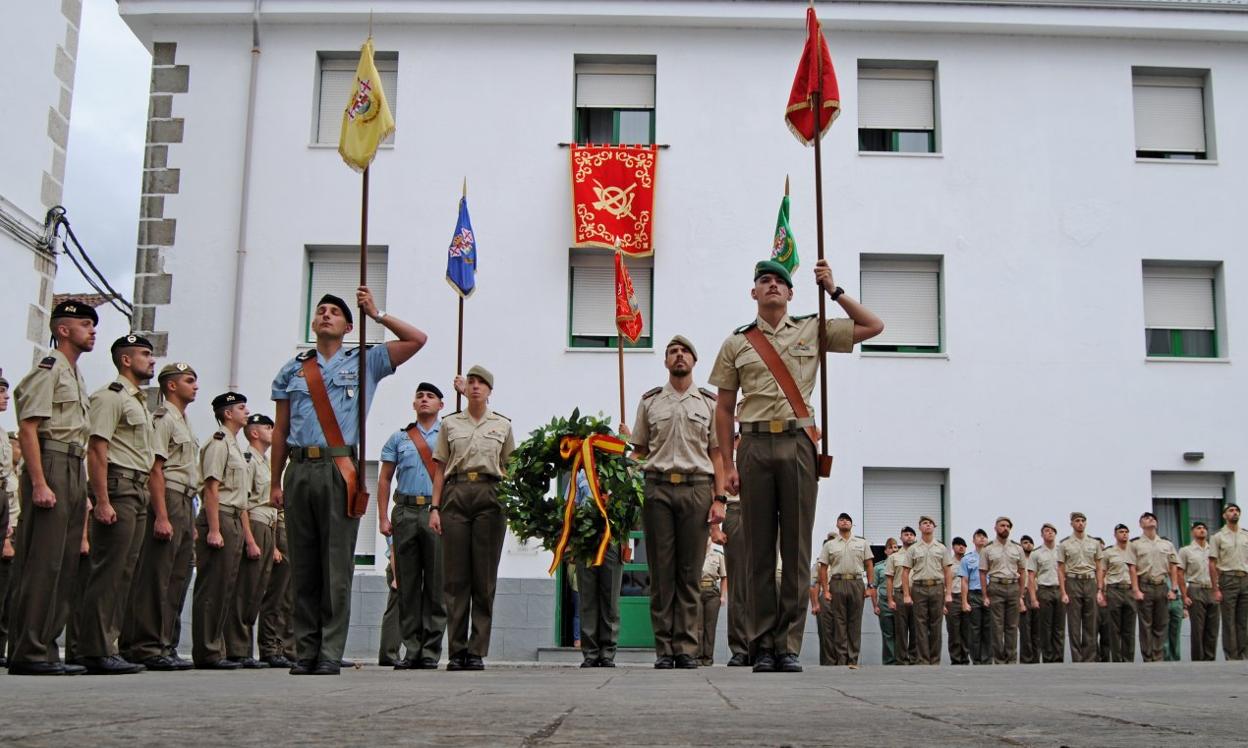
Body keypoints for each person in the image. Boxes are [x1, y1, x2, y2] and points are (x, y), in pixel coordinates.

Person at [710, 258, 883, 674]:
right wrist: (729, 463)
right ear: (753, 293)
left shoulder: (812, 328)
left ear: (791, 294)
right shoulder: (737, 342)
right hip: (753, 444)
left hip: (798, 442)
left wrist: (835, 291)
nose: (772, 285)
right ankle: (761, 644)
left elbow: (873, 326)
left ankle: (787, 644)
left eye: (780, 282)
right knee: (756, 551)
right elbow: (723, 407)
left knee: (796, 545)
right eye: (764, 281)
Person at [270, 290, 425, 675]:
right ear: (313, 323)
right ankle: (304, 651)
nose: (326, 315)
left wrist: (377, 313)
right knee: (303, 565)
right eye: (320, 311)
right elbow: (281, 429)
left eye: (335, 312)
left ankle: (328, 652)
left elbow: (416, 340)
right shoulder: (293, 370)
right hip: (299, 469)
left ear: (349, 326)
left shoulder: (365, 362)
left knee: (336, 565)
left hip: (340, 470)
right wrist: (274, 480)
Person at [7, 301, 95, 675]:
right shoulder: (49, 368)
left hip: (74, 464)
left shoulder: (75, 374)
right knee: (43, 562)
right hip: (52, 461)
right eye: (84, 324)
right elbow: (29, 427)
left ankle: (46, 647)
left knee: (65, 563)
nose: (92, 330)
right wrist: (39, 482)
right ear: (63, 330)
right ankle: (28, 650)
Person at [631, 335, 724, 669]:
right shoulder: (650, 402)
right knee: (661, 572)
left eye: (685, 351)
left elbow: (717, 454)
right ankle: (664, 649)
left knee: (689, 573)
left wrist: (720, 499)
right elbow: (639, 450)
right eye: (673, 352)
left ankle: (685, 647)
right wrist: (626, 476)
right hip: (657, 490)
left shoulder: (709, 404)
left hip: (696, 489)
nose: (679, 356)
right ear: (666, 361)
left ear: (694, 362)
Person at [73, 334, 158, 675]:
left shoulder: (138, 402)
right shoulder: (111, 397)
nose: (151, 361)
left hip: (137, 488)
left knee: (125, 572)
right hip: (118, 486)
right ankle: (93, 649)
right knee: (108, 571)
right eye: (144, 354)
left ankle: (108, 644)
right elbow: (97, 449)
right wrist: (102, 500)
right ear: (126, 360)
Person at [429, 366, 513, 671]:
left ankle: (476, 650)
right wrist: (434, 508)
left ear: (490, 391)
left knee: (484, 577)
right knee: (455, 578)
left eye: (482, 383)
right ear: (465, 389)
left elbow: (510, 466)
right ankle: (456, 650)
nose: (476, 387)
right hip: (456, 493)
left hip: (490, 495)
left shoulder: (502, 425)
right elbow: (439, 469)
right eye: (472, 382)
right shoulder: (450, 424)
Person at [119, 362, 198, 671]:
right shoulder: (163, 419)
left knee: (178, 576)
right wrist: (162, 515)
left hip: (186, 501)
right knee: (157, 576)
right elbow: (156, 469)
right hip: (170, 499)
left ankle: (165, 643)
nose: (195, 386)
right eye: (189, 381)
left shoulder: (184, 421)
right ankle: (146, 645)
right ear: (172, 386)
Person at [377, 382, 447, 670]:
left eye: (430, 396)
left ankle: (430, 651)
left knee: (435, 583)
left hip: (434, 512)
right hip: (405, 510)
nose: (424, 400)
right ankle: (411, 649)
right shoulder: (400, 438)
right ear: (413, 404)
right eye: (419, 396)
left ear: (441, 405)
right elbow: (384, 479)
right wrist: (383, 517)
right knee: (406, 584)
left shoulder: (448, 435)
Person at [192, 392, 251, 669]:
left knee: (226, 587)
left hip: (234, 517)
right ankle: (207, 652)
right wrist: (214, 529)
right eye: (241, 408)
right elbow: (211, 487)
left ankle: (218, 649)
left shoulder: (234, 444)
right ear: (227, 413)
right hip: (221, 517)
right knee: (213, 588)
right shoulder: (218, 443)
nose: (246, 411)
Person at [224, 413, 278, 668]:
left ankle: (245, 649)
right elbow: (244, 503)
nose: (273, 431)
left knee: (257, 591)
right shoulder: (249, 461)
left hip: (268, 524)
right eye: (268, 427)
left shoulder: (266, 462)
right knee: (245, 590)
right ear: (255, 433)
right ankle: (237, 648)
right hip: (254, 523)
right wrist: (249, 540)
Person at [570, 469, 623, 668]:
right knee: (588, 597)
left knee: (610, 599)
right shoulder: (580, 472)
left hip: (611, 538)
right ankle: (590, 653)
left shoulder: (618, 471)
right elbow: (571, 507)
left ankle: (607, 652)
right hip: (586, 539)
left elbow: (630, 505)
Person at [817, 512, 873, 667]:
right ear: (837, 525)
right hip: (837, 583)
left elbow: (869, 565)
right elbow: (823, 568)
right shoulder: (830, 545)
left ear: (851, 524)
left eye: (847, 520)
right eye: (841, 520)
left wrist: (870, 586)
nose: (844, 522)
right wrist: (826, 590)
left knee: (855, 622)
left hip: (856, 583)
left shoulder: (862, 543)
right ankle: (842, 659)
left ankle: (853, 659)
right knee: (839, 623)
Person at [899, 515, 952, 666]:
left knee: (936, 624)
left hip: (937, 587)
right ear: (920, 527)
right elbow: (905, 572)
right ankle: (923, 660)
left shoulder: (941, 548)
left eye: (930, 523)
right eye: (924, 523)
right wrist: (907, 594)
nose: (928, 525)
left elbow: (948, 571)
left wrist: (948, 593)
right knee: (920, 625)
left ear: (934, 527)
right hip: (919, 588)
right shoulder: (913, 549)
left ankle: (935, 660)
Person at [1131, 511, 1179, 663]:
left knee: (1161, 623)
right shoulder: (1135, 544)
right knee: (1146, 625)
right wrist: (1136, 589)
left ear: (1156, 524)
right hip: (1145, 585)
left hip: (1162, 586)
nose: (1150, 519)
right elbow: (1132, 568)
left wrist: (1174, 589)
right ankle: (1148, 657)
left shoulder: (1167, 544)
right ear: (1140, 525)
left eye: (1153, 518)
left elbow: (1173, 567)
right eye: (1146, 518)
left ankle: (1158, 657)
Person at [1057, 512, 1103, 663]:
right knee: (1074, 622)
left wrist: (1100, 589)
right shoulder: (1065, 544)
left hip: (1090, 581)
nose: (1080, 523)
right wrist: (1063, 591)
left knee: (1091, 621)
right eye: (1077, 521)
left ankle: (1089, 657)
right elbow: (1061, 569)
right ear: (1071, 523)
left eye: (1083, 521)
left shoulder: (1094, 543)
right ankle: (1077, 658)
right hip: (1073, 581)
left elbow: (1099, 567)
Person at [979, 516, 1025, 665]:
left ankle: (1011, 658)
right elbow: (983, 573)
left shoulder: (1017, 548)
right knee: (997, 626)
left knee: (1012, 625)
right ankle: (999, 659)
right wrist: (985, 595)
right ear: (995, 528)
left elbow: (1022, 571)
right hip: (996, 586)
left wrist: (1021, 593)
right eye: (1002, 525)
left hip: (1013, 586)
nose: (1005, 528)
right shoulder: (988, 548)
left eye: (1007, 526)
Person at [1208, 503, 1248, 660]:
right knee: (1229, 621)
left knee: (1243, 621)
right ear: (1224, 515)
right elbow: (1212, 563)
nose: (1235, 513)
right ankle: (1232, 656)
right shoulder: (1217, 536)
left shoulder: (1246, 535)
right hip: (1228, 578)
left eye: (1237, 510)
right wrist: (1215, 588)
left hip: (1245, 578)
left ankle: (1244, 655)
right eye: (1231, 511)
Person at [1177, 521, 1218, 661]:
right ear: (1192, 532)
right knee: (1198, 629)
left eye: (1204, 528)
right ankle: (1198, 660)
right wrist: (1184, 595)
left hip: (1212, 588)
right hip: (1196, 587)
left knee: (1212, 629)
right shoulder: (1186, 551)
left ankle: (1210, 658)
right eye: (1198, 528)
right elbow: (1180, 573)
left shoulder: (1213, 549)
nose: (1202, 530)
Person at [1100, 523, 1140, 663]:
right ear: (1115, 535)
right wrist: (1101, 591)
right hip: (1114, 589)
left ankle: (1128, 658)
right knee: (1114, 627)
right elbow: (1102, 572)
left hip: (1129, 589)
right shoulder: (1108, 552)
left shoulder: (1134, 551)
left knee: (1129, 628)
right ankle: (1117, 659)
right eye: (1121, 532)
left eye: (1126, 531)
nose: (1124, 534)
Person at [1028, 522, 1064, 663]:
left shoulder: (1061, 551)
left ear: (1055, 534)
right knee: (1045, 626)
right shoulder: (1036, 553)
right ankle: (1048, 657)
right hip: (1044, 590)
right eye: (1046, 531)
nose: (1049, 533)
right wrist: (1033, 598)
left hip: (1059, 590)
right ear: (1042, 535)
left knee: (1059, 627)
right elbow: (1031, 577)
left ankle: (1058, 656)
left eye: (1052, 531)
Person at [959, 529, 991, 665]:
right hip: (974, 594)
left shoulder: (992, 557)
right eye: (978, 536)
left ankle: (987, 658)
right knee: (975, 628)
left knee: (988, 628)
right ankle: (976, 659)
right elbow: (964, 581)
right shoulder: (967, 559)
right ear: (973, 540)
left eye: (984, 536)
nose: (982, 538)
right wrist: (964, 601)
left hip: (990, 594)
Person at [887, 526, 917, 665]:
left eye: (911, 534)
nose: (909, 536)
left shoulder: (920, 554)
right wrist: (890, 599)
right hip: (899, 594)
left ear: (915, 537)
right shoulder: (894, 557)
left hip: (917, 594)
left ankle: (915, 659)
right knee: (901, 629)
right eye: (906, 534)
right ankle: (902, 660)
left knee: (917, 628)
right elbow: (890, 580)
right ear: (901, 538)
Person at [697, 530, 727, 666]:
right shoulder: (695, 556)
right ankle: (697, 656)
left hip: (712, 593)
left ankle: (708, 658)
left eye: (708, 537)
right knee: (698, 626)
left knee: (710, 627)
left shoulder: (718, 555)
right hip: (697, 592)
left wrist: (723, 595)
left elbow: (724, 576)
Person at [811, 538, 836, 666]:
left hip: (840, 599)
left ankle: (842, 662)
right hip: (825, 600)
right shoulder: (819, 565)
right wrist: (815, 604)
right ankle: (828, 663)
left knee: (841, 633)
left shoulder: (840, 562)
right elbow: (814, 584)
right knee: (826, 634)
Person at [873, 538, 898, 665]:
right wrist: (875, 605)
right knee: (888, 633)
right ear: (886, 551)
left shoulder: (902, 564)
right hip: (883, 602)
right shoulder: (879, 567)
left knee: (901, 632)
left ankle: (901, 659)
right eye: (890, 547)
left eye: (895, 547)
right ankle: (889, 661)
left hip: (899, 601)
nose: (893, 550)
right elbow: (873, 587)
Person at [946, 537, 970, 665]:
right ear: (953, 547)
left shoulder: (970, 561)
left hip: (967, 597)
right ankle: (955, 659)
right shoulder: (948, 563)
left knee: (966, 630)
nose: (961, 547)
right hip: (953, 597)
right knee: (954, 630)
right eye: (958, 545)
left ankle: (965, 658)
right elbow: (944, 582)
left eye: (963, 545)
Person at [1018, 534, 1040, 664]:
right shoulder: (1019, 560)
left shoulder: (1037, 558)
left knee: (1037, 630)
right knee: (1025, 629)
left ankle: (1036, 658)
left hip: (1037, 593)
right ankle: (1026, 659)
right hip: (1024, 593)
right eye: (1025, 542)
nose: (1028, 545)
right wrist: (1019, 598)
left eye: (1030, 542)